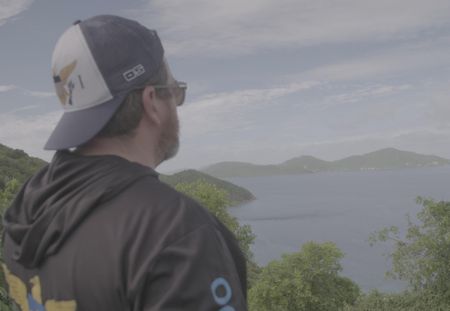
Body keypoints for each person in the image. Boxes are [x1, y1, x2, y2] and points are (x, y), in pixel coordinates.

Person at [2, 15, 247, 310]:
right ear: (151, 101)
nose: (177, 104)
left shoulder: (26, 209)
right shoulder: (178, 233)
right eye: (175, 91)